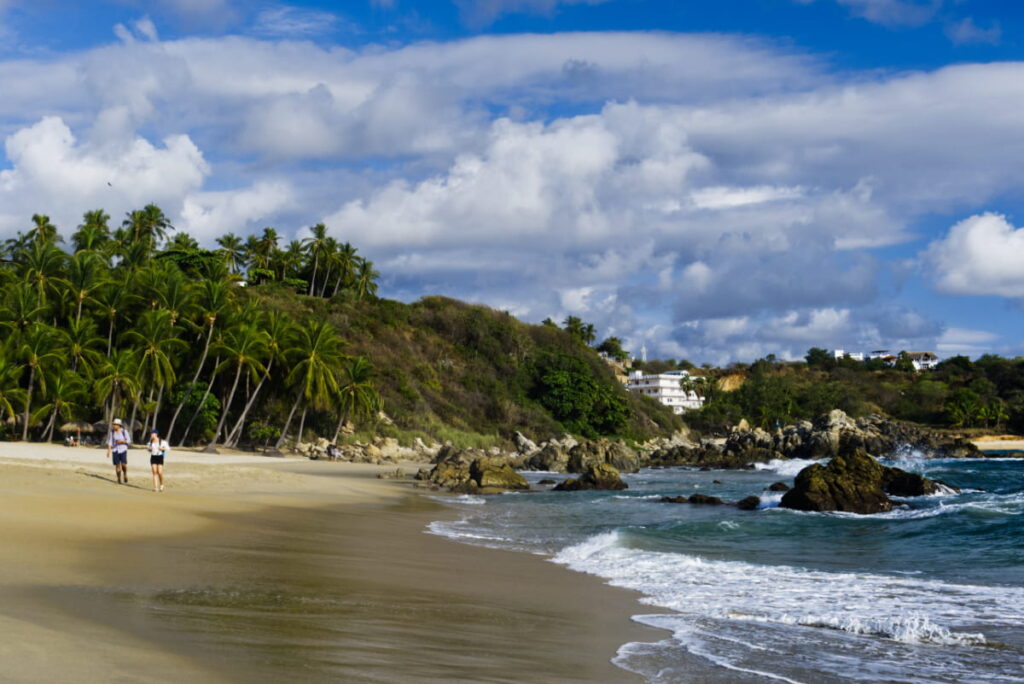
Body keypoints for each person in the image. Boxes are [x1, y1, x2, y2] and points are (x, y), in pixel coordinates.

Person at [106, 418, 132, 484]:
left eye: (115, 424)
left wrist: (122, 441)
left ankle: (125, 474)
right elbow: (110, 442)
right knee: (117, 465)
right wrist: (108, 451)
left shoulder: (124, 431)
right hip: (115, 450)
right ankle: (119, 479)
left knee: (123, 465)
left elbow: (129, 441)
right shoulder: (112, 432)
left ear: (119, 425)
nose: (113, 426)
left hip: (123, 450)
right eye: (113, 424)